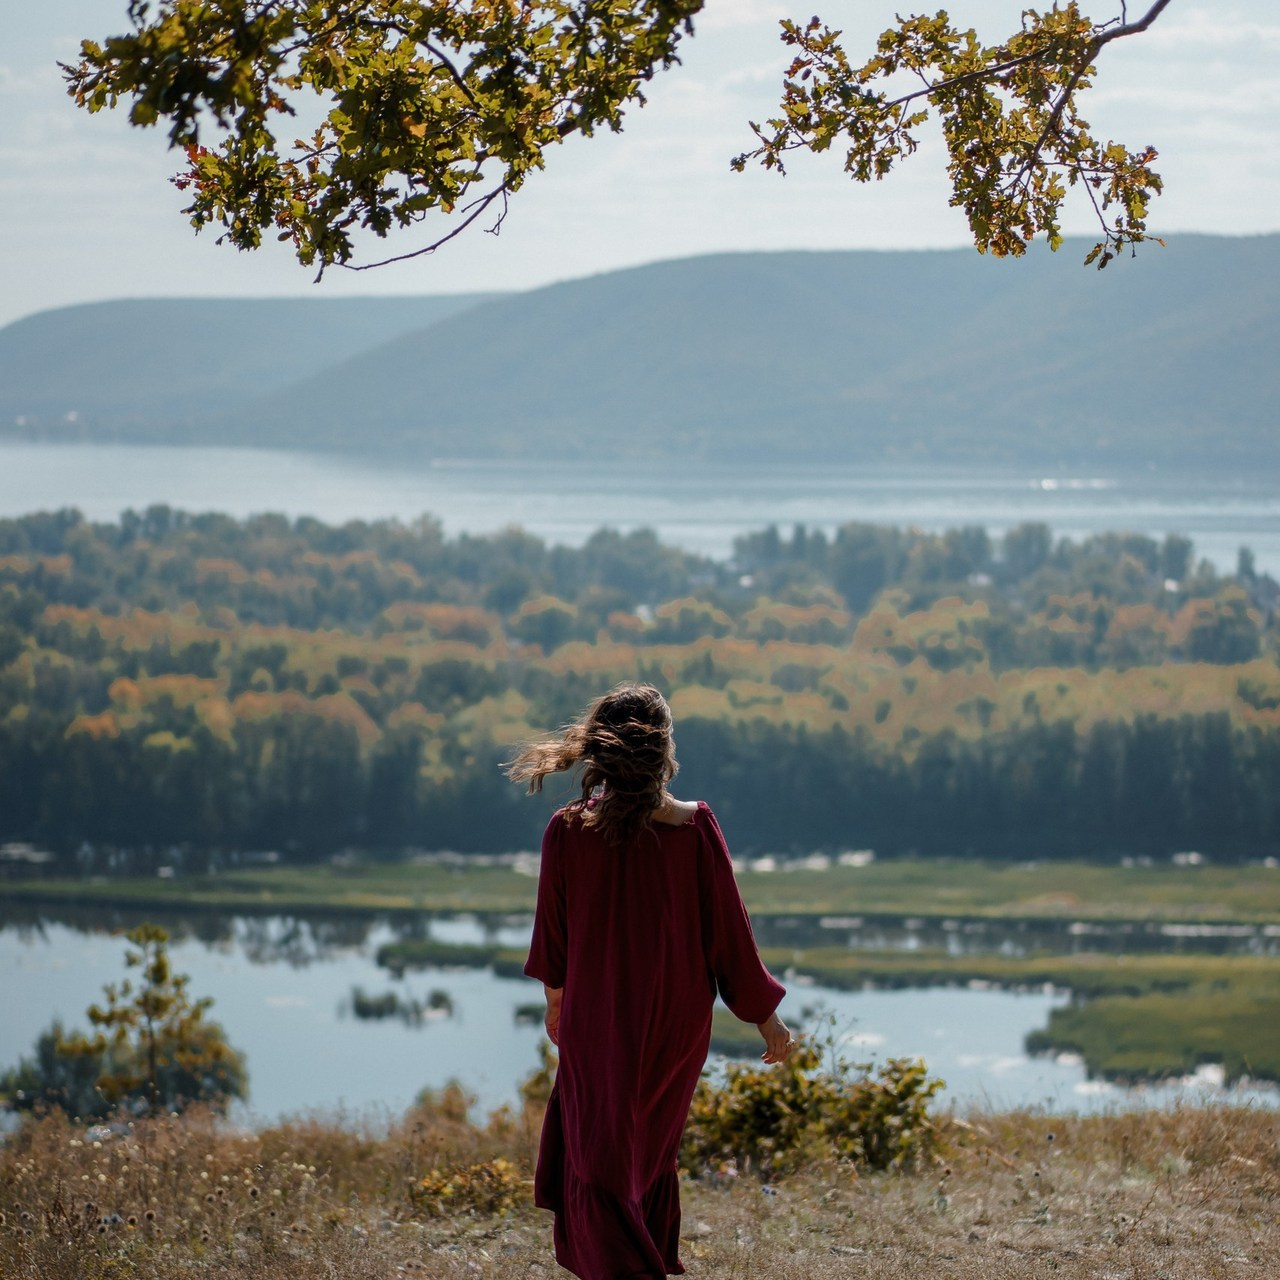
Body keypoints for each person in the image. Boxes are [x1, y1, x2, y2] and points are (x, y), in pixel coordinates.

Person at [508, 682, 791, 1280]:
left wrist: (557, 1007)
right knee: (643, 1156)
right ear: (664, 750)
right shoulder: (694, 828)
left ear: (597, 749)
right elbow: (730, 938)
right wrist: (767, 1020)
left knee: (603, 1162)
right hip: (674, 1028)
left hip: (598, 1021)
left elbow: (553, 943)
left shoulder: (568, 831)